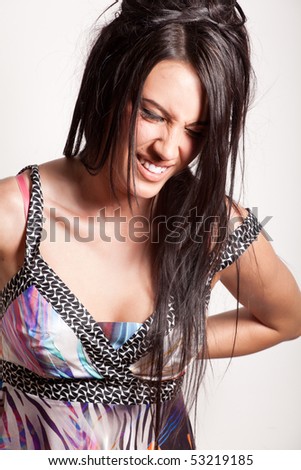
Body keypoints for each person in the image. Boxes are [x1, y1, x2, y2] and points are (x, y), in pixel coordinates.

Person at [0, 0, 300, 451]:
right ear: (111, 85)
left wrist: (183, 342)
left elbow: (285, 319)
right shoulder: (15, 214)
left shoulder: (208, 224)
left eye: (196, 131)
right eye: (153, 115)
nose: (169, 148)